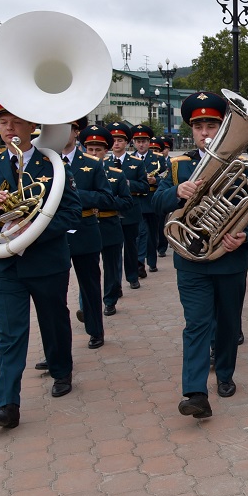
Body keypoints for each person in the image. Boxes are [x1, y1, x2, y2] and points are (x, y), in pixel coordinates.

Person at [0, 92, 83, 428]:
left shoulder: (53, 164)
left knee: (53, 321)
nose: (9, 127)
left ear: (32, 125)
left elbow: (72, 213)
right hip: (4, 266)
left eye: (16, 121)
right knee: (11, 333)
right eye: (3, 122)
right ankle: (8, 405)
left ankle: (61, 371)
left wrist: (30, 229)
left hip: (45, 261)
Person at [152, 91, 248, 419]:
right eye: (198, 125)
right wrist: (176, 192)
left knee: (228, 323)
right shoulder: (178, 166)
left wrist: (244, 237)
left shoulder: (242, 167)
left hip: (229, 260)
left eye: (212, 124)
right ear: (191, 129)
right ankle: (196, 392)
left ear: (223, 126)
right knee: (197, 324)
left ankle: (225, 374)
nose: (205, 132)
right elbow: (155, 203)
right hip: (191, 260)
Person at [59, 118, 115, 353]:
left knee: (90, 285)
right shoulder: (41, 161)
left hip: (84, 228)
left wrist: (71, 193)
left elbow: (107, 198)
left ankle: (95, 330)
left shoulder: (91, 164)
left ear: (76, 132)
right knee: (52, 293)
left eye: (65, 128)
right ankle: (57, 346)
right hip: (53, 233)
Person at [80, 126, 132, 319]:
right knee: (87, 271)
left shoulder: (116, 174)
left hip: (109, 224)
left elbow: (127, 202)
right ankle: (86, 307)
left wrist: (104, 201)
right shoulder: (77, 174)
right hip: (85, 226)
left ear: (106, 152)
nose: (94, 153)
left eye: (98, 150)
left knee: (111, 267)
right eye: (90, 149)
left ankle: (109, 300)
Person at [107, 122, 149, 289]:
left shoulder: (136, 163)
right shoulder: (103, 163)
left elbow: (145, 186)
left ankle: (132, 276)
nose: (116, 144)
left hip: (130, 211)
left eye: (120, 140)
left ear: (126, 142)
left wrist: (128, 183)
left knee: (130, 246)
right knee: (113, 250)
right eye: (114, 140)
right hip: (110, 212)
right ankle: (115, 284)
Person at [131, 124, 162, 275]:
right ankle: (139, 263)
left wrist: (156, 181)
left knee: (153, 234)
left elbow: (169, 179)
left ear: (149, 142)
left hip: (152, 200)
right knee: (141, 233)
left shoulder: (158, 159)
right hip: (136, 202)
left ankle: (152, 261)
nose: (141, 144)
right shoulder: (129, 160)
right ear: (134, 142)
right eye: (138, 141)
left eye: (144, 141)